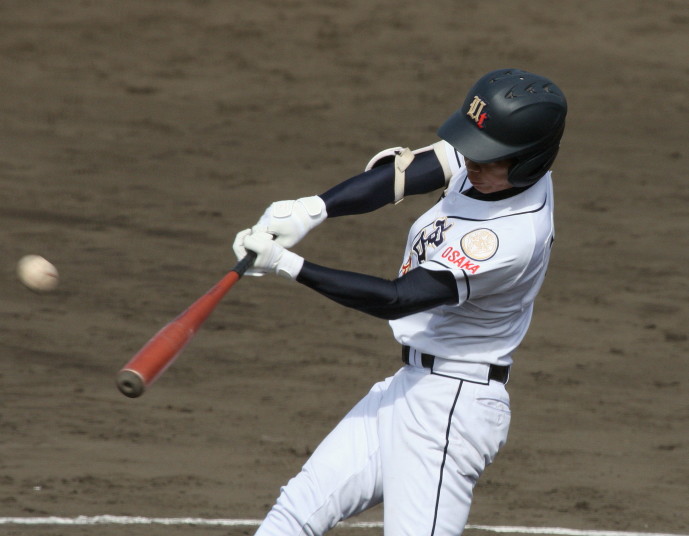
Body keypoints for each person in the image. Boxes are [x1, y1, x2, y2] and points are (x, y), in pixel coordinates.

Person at [233, 68, 568, 536]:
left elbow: (397, 298)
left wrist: (289, 265)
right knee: (295, 512)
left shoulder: (509, 236)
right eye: (471, 148)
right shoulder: (494, 165)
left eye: (488, 157)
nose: (472, 163)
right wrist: (314, 209)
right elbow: (405, 175)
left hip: (450, 409)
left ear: (529, 161)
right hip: (407, 388)